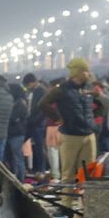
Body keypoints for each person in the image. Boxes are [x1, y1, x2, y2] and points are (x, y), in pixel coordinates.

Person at [39, 58, 96, 187]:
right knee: (68, 174)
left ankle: (86, 204)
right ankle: (67, 203)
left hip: (89, 135)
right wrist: (57, 117)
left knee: (89, 175)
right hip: (70, 135)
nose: (89, 73)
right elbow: (43, 104)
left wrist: (92, 120)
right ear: (78, 72)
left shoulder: (89, 88)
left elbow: (98, 104)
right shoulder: (62, 89)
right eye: (87, 71)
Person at [23, 73, 48, 179]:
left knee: (39, 147)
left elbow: (41, 108)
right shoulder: (32, 91)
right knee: (36, 146)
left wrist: (35, 120)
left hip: (37, 123)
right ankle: (36, 168)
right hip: (31, 122)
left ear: (32, 82)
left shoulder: (41, 91)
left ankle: (41, 169)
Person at [5, 82, 29, 180]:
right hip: (13, 133)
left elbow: (14, 118)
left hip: (17, 134)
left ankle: (20, 178)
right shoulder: (17, 102)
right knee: (14, 157)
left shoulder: (19, 103)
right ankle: (16, 176)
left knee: (18, 157)